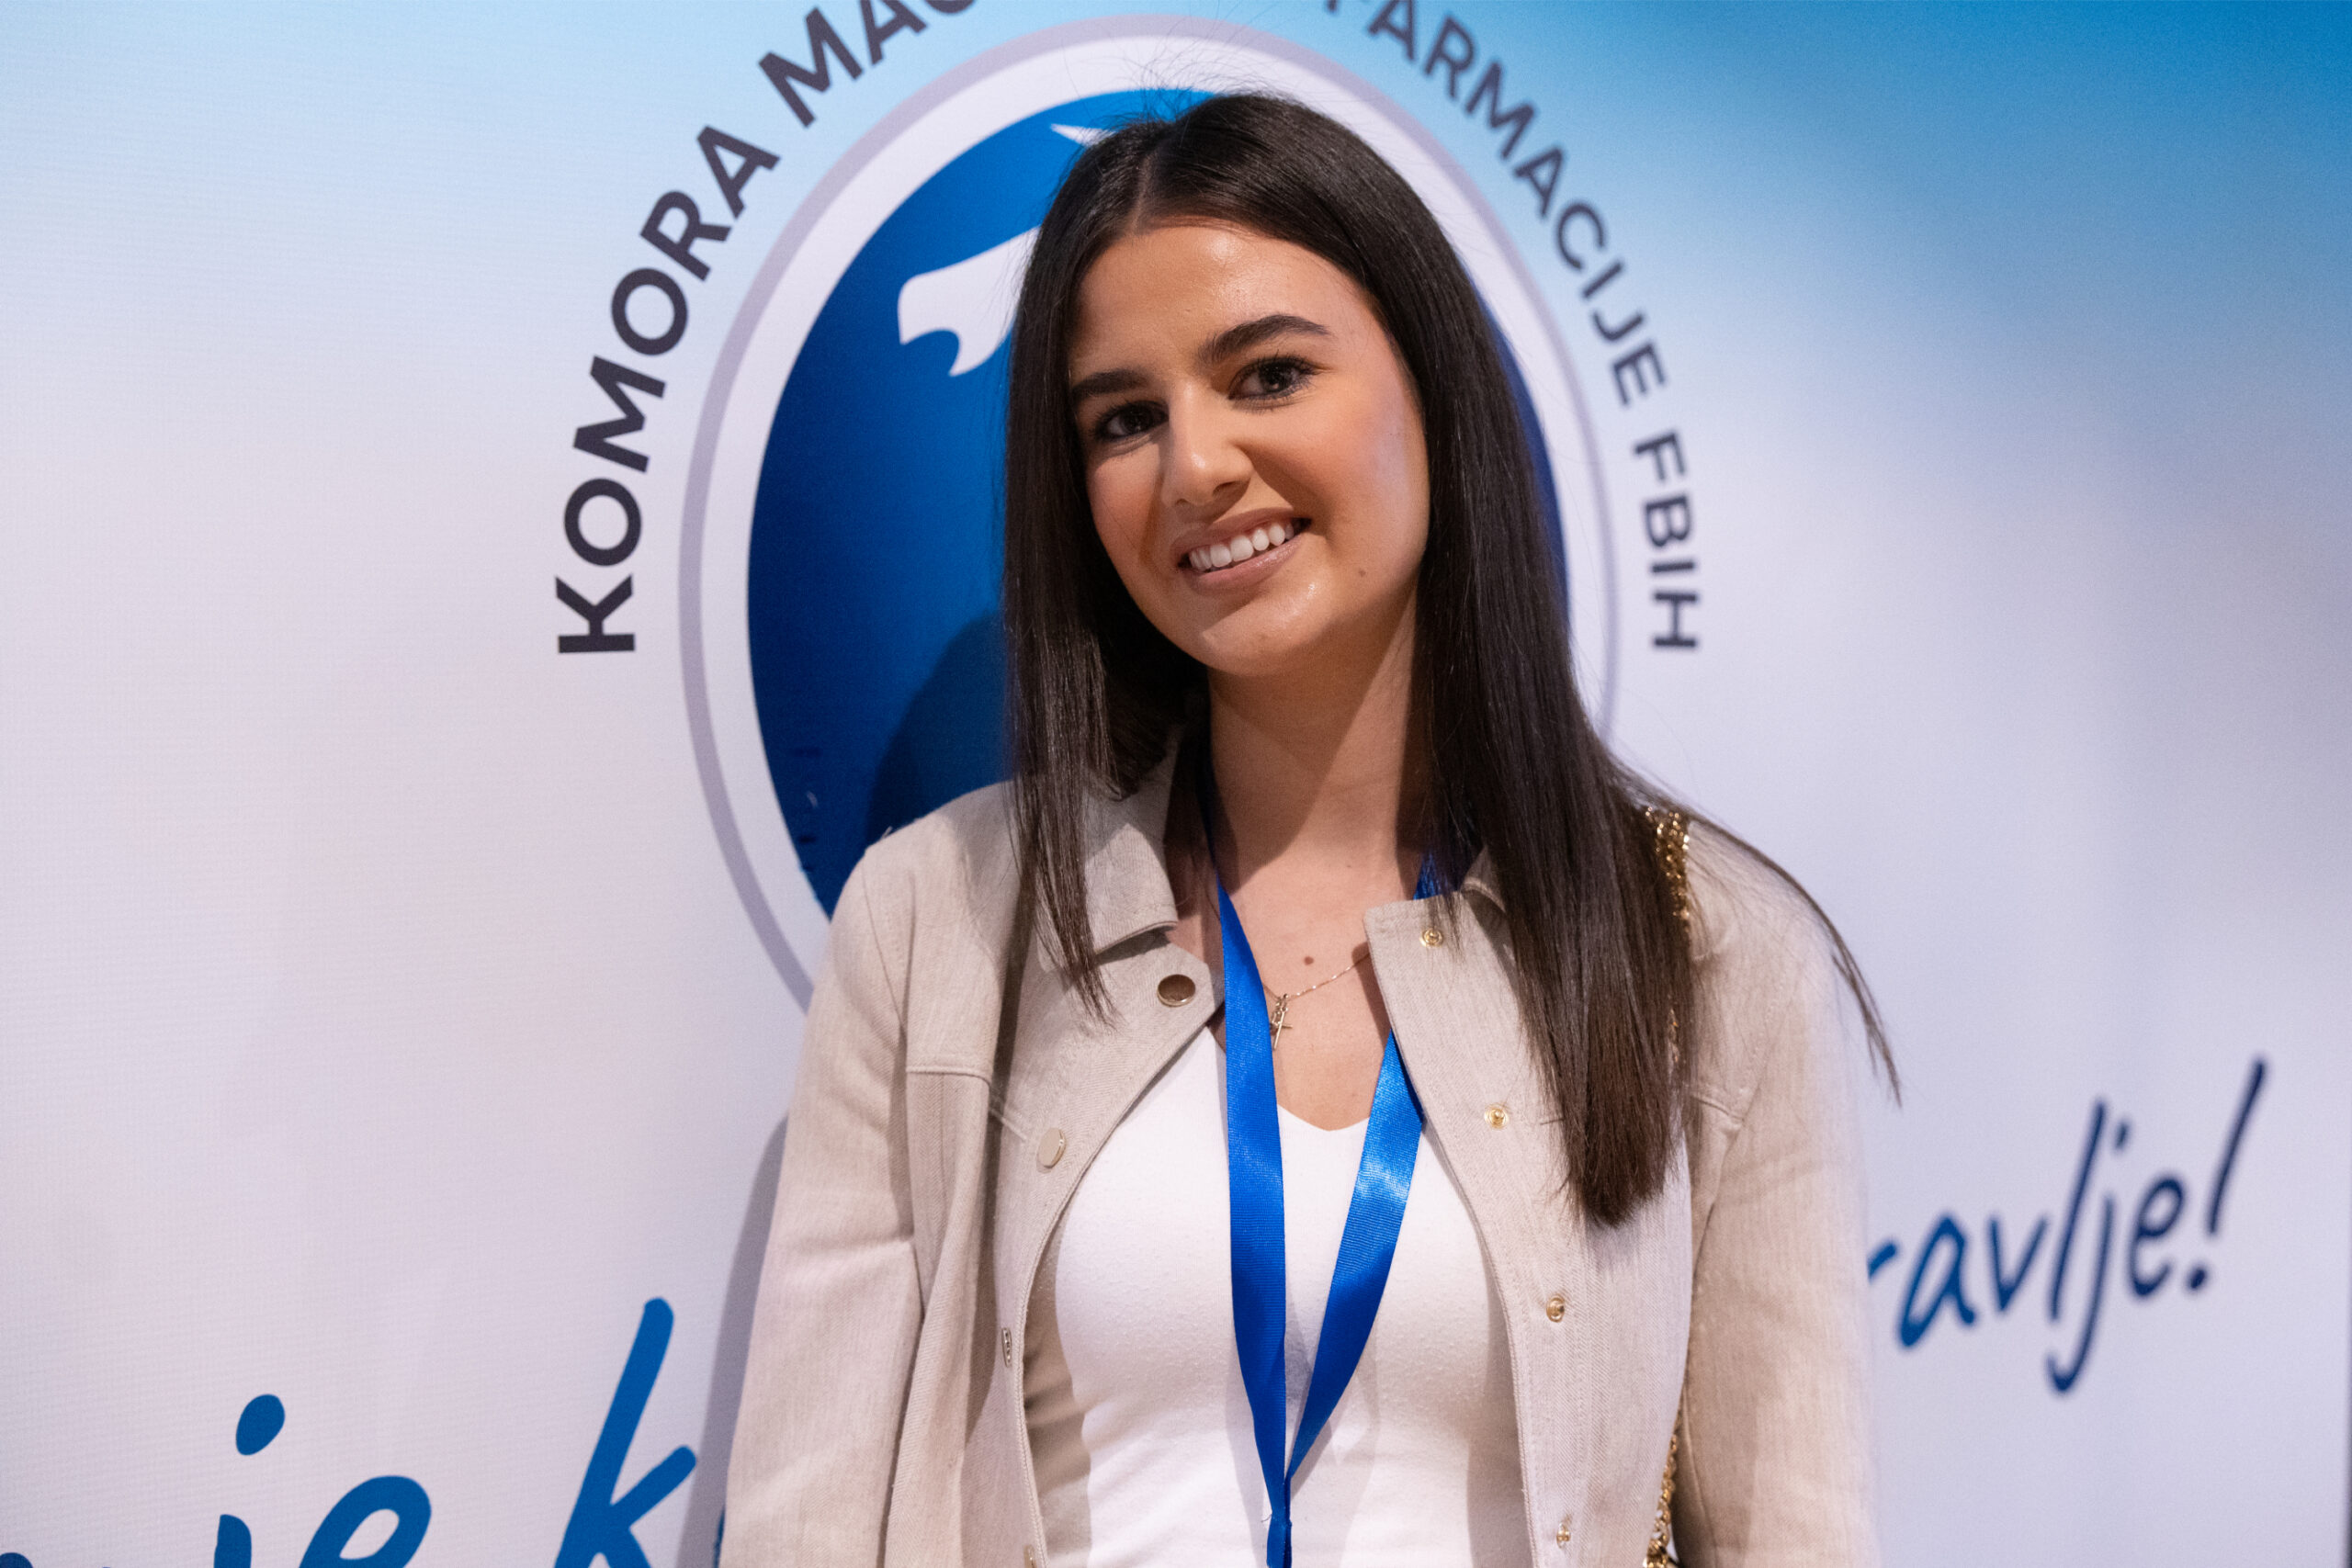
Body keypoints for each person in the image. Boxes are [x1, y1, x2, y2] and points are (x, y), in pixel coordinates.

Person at [721, 94, 1891, 1568]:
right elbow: (804, 1523)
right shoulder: (933, 920)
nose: (1195, 466)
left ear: (1433, 392)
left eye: (1268, 376)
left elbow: (1794, 1531)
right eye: (1125, 419)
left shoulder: (1707, 950)